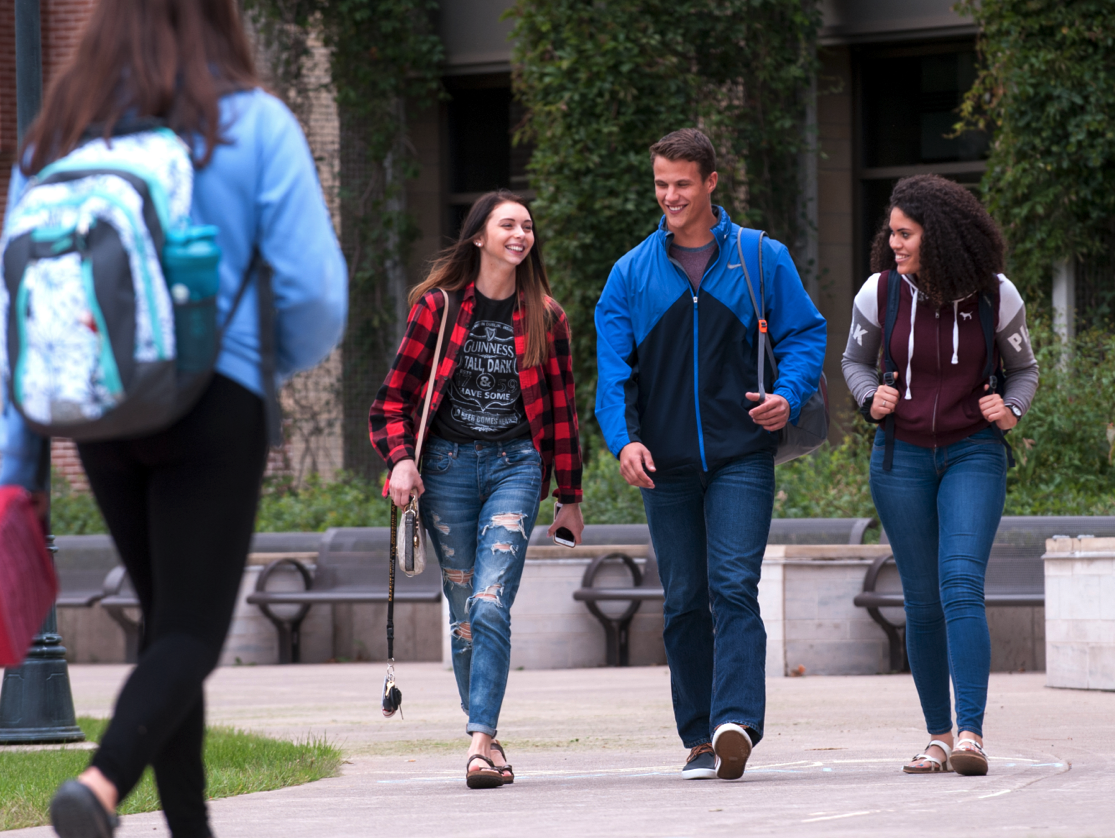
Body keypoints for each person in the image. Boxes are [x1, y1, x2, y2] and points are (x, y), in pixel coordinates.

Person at [0, 1, 347, 834]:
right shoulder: (250, 125)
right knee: (191, 632)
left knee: (166, 627)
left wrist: (20, 460)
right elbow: (316, 296)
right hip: (215, 399)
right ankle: (103, 785)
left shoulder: (55, 138)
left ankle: (192, 825)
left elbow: (14, 311)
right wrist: (256, 366)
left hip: (101, 408)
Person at [593, 128, 826, 781]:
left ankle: (735, 724)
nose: (670, 195)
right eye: (661, 183)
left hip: (741, 453)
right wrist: (624, 440)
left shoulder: (758, 257)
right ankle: (698, 738)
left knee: (732, 585)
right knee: (685, 599)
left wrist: (788, 392)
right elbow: (612, 378)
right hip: (662, 465)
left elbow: (805, 334)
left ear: (711, 182)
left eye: (682, 184)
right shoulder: (630, 275)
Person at [372, 190, 584, 790]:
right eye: (508, 224)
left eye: (528, 225)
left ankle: (478, 740)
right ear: (479, 237)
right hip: (445, 470)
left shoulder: (547, 316)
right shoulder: (436, 310)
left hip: (516, 466)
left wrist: (570, 496)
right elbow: (390, 402)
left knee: (490, 602)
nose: (521, 234)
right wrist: (400, 462)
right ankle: (487, 742)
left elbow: (564, 412)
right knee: (465, 613)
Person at [840, 174, 1039, 777]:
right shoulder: (881, 293)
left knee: (959, 583)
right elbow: (853, 361)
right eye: (891, 232)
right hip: (900, 459)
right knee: (922, 601)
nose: (893, 242)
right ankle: (937, 735)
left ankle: (972, 734)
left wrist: (1011, 409)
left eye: (905, 233)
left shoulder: (996, 296)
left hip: (972, 453)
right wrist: (868, 393)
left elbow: (1025, 371)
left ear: (940, 235)